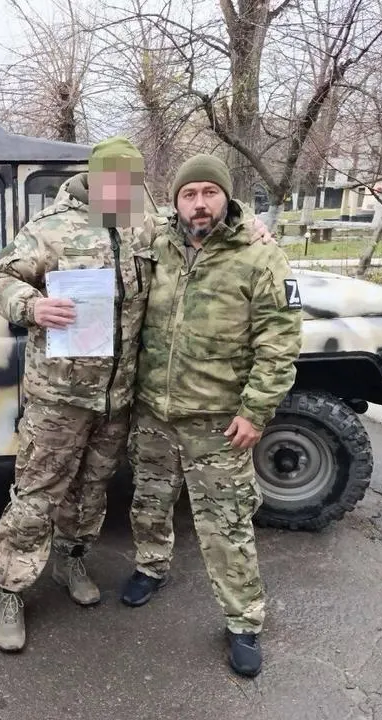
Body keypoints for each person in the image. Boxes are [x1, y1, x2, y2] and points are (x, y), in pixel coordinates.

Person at [120, 154, 303, 678]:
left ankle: (243, 621)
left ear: (227, 197)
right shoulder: (157, 243)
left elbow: (280, 340)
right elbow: (108, 212)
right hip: (155, 411)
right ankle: (151, 567)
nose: (199, 203)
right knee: (149, 501)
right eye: (188, 194)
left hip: (220, 422)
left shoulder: (260, 256)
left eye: (209, 192)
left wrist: (256, 411)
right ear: (175, 201)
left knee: (227, 524)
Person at [0, 136, 161, 652]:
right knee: (38, 493)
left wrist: (255, 226)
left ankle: (71, 560)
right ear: (95, 179)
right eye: (116, 182)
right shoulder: (49, 229)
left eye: (133, 184)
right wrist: (30, 305)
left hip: (116, 395)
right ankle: (11, 587)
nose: (124, 192)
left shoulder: (146, 224)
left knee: (92, 489)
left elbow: (204, 235)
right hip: (59, 395)